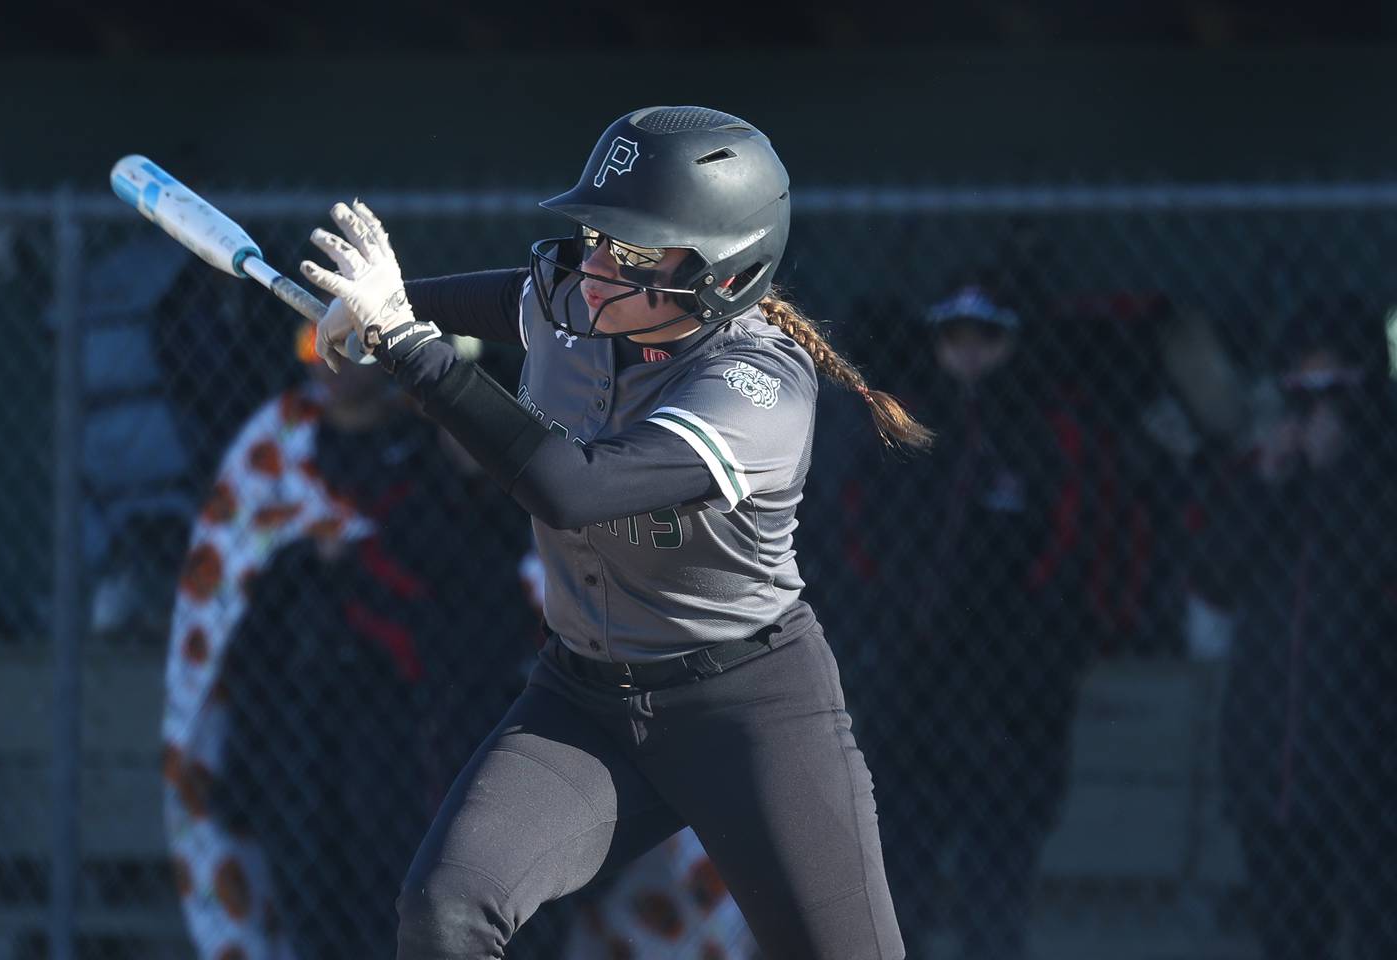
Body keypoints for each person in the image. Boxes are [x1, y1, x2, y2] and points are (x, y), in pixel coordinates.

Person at [299, 105, 930, 959]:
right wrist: (383, 306)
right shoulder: (580, 300)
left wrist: (410, 344)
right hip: (583, 701)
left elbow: (570, 487)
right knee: (445, 911)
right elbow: (512, 299)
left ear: (724, 274)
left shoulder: (759, 385)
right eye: (597, 234)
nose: (596, 265)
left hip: (750, 710)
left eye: (632, 250)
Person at [162, 324, 535, 959]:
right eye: (310, 343)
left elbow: (481, 577)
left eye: (351, 346)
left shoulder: (433, 454)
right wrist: (311, 560)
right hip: (304, 724)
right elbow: (234, 582)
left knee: (403, 893)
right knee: (315, 899)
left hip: (416, 723)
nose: (329, 364)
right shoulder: (278, 446)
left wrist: (362, 556)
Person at [816, 279, 1088, 959]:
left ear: (1013, 344)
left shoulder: (1045, 436)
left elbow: (1069, 556)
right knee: (897, 880)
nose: (968, 355)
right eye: (952, 337)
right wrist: (884, 637)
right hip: (909, 694)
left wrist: (1029, 660)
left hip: (1011, 703)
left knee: (993, 893)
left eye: (986, 338)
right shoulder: (902, 424)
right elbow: (855, 536)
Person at [1190, 295, 1397, 960]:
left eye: (1334, 387)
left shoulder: (1380, 472)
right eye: (1303, 389)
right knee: (1286, 932)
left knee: (1375, 925)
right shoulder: (1265, 473)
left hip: (1368, 760)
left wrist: (1338, 472)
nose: (1317, 408)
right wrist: (1270, 481)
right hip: (1269, 753)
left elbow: (1377, 564)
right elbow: (1215, 575)